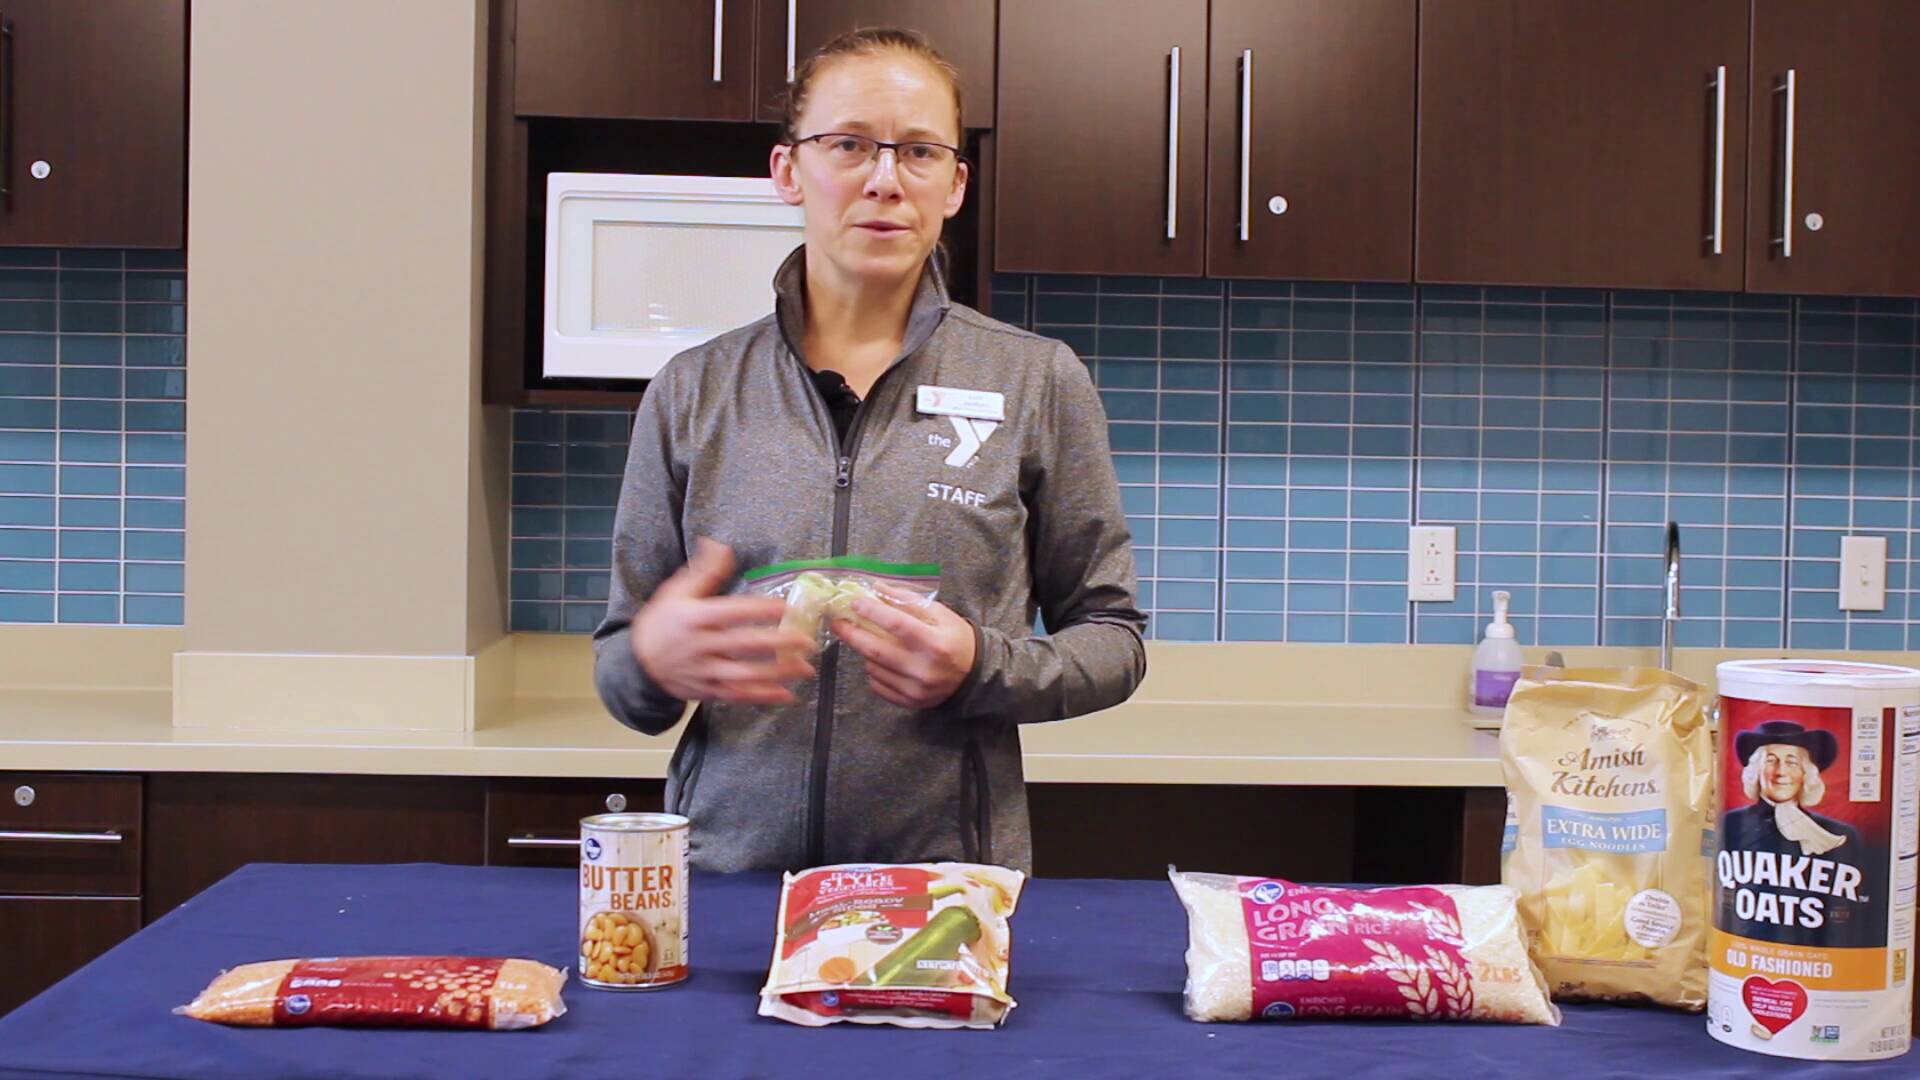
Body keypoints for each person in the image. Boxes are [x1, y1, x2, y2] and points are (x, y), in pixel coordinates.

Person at [592, 28, 1147, 875]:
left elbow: (1113, 640)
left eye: (919, 151)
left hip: (944, 892)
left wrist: (983, 666)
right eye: (848, 144)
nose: (885, 179)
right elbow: (622, 672)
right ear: (788, 171)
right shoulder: (693, 390)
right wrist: (649, 663)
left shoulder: (1037, 381)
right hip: (731, 881)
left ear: (955, 184)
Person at [1717, 719, 1874, 947]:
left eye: (1791, 762)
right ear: (1756, 772)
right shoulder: (1731, 824)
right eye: (1770, 761)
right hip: (1744, 954)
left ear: (1805, 774)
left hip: (1823, 959)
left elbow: (1855, 919)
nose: (1781, 772)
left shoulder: (1839, 836)